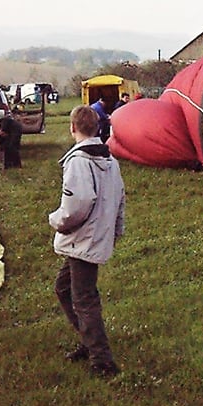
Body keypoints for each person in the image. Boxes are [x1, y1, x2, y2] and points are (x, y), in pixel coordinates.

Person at [49, 105, 126, 378]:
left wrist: (56, 220)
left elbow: (76, 206)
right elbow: (120, 200)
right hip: (93, 238)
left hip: (83, 240)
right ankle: (87, 339)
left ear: (73, 128)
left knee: (84, 299)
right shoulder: (110, 161)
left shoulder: (79, 161)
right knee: (64, 288)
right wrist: (116, 231)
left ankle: (102, 360)